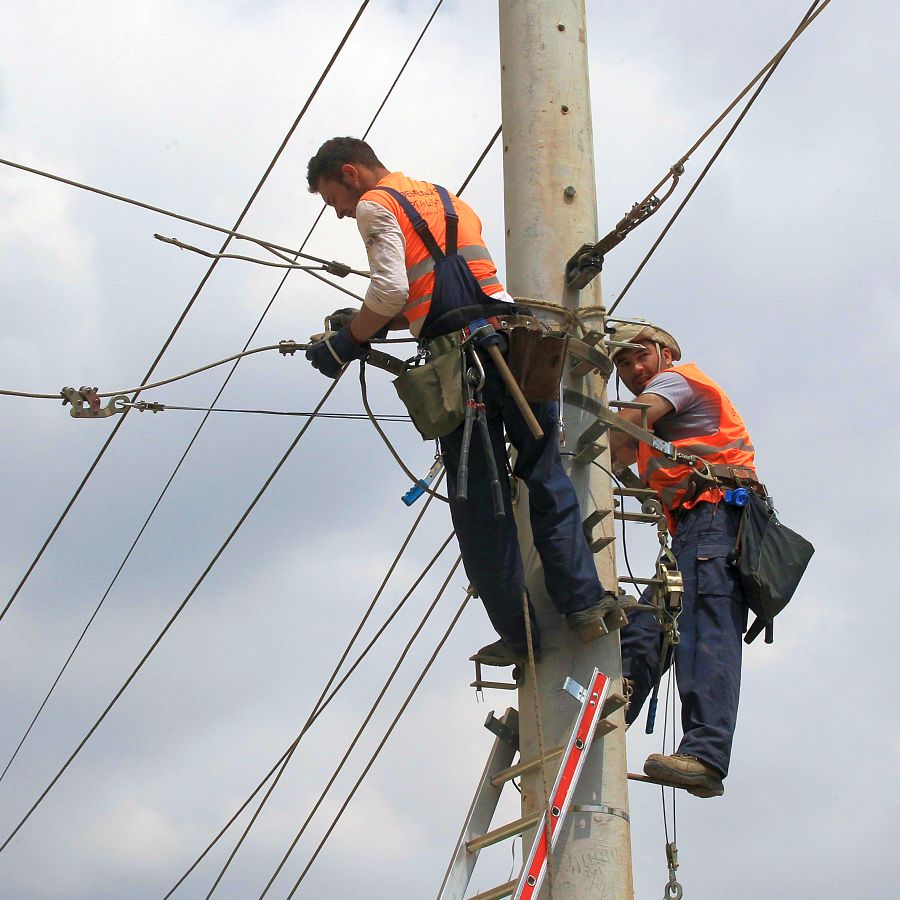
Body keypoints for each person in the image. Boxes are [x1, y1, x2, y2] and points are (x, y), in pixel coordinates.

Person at [303, 136, 618, 664]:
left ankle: (522, 637)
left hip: (464, 363)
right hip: (517, 344)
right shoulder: (447, 199)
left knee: (480, 504)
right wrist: (366, 328)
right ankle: (584, 603)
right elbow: (442, 291)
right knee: (545, 472)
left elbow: (389, 293)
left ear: (350, 173)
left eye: (332, 198)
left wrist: (348, 341)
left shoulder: (375, 206)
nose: (337, 212)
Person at [608, 319, 757, 799]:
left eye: (639, 356)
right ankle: (610, 717)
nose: (633, 368)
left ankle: (706, 754)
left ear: (664, 353)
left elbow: (618, 435)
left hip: (718, 516)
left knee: (703, 626)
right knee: (646, 627)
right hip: (695, 529)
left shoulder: (674, 381)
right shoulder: (656, 411)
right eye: (622, 363)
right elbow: (612, 455)